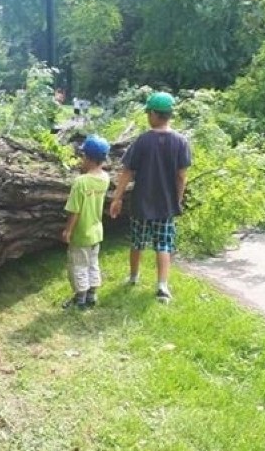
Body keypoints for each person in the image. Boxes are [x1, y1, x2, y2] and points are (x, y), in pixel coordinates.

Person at [109, 91, 191, 303]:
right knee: (163, 244)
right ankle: (162, 286)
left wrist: (117, 198)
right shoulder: (181, 142)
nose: (148, 116)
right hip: (165, 204)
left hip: (141, 202)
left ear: (154, 114)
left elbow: (127, 171)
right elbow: (182, 176)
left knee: (137, 242)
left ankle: (134, 277)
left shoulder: (143, 141)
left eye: (148, 113)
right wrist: (177, 200)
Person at [62, 135, 111, 310]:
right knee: (93, 263)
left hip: (81, 232)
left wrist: (68, 231)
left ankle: (80, 298)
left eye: (83, 156)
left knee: (78, 266)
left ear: (88, 158)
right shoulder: (105, 178)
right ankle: (92, 295)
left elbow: (75, 210)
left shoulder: (80, 182)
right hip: (97, 230)